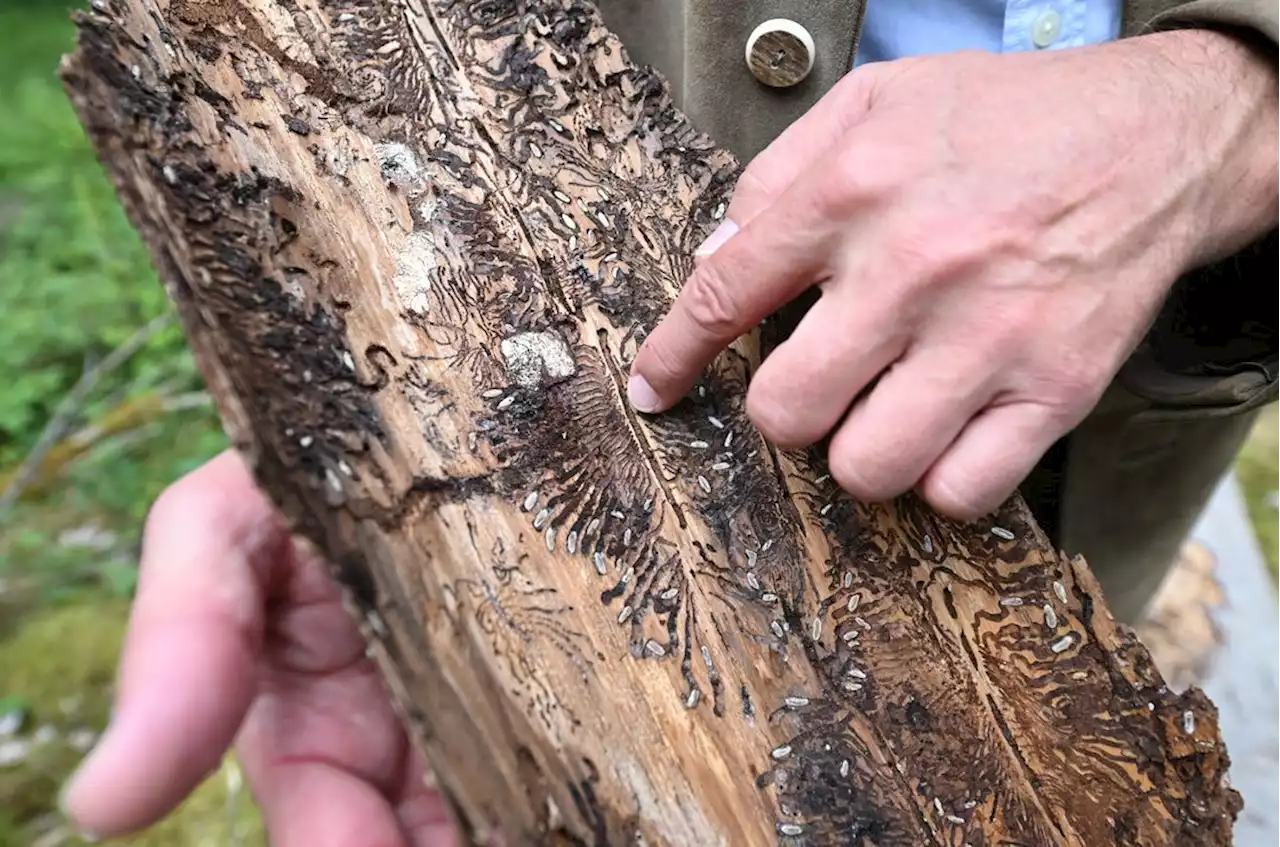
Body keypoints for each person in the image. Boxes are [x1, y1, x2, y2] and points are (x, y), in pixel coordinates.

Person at [61, 0, 1280, 844]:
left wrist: (1226, 99)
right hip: (671, 305)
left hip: (1151, 385)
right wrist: (363, 416)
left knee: (1087, 619)